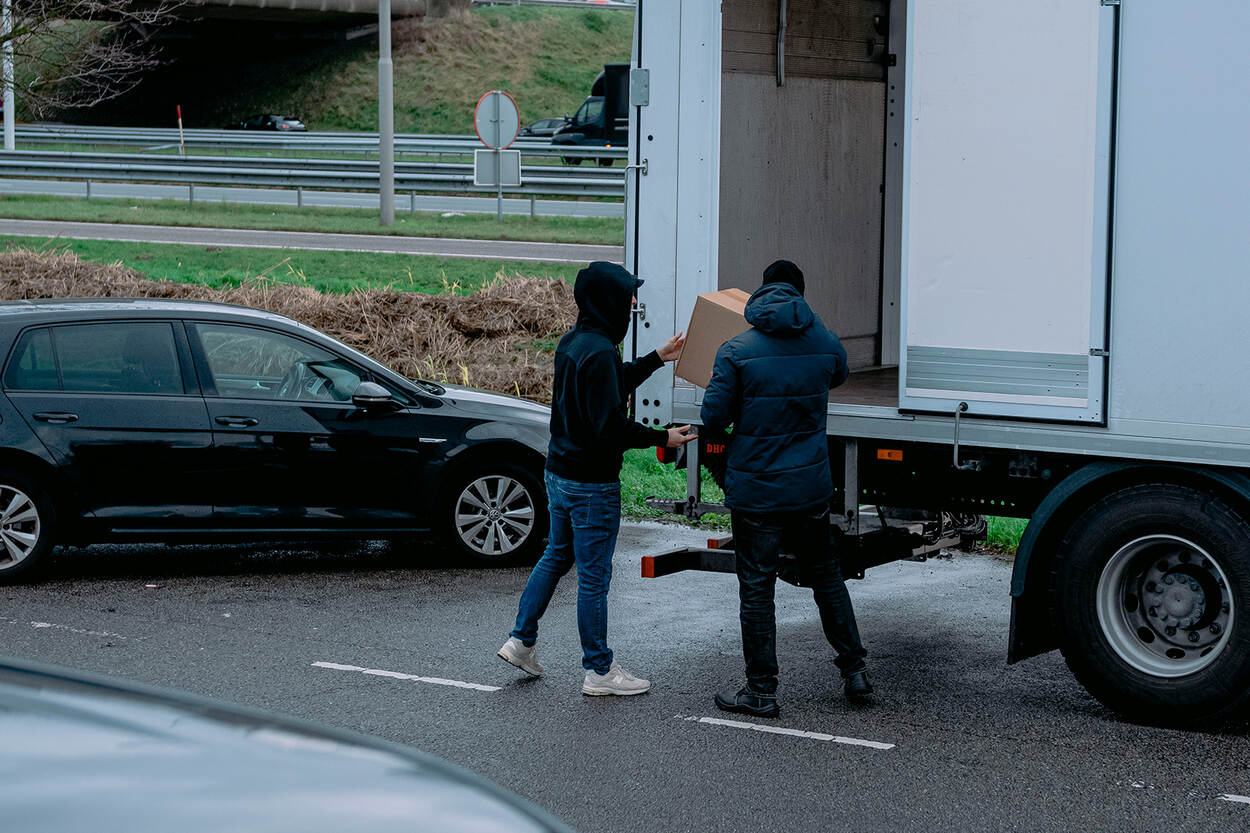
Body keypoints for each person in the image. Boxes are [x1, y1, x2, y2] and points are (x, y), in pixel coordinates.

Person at [498, 261, 695, 696]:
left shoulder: (576, 343)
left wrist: (657, 359)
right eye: (628, 295)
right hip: (591, 484)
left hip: (560, 473)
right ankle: (600, 671)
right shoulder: (601, 350)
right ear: (609, 299)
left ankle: (521, 640)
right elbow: (611, 426)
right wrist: (664, 436)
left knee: (555, 556)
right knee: (593, 577)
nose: (634, 302)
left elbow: (606, 387)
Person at [700, 259, 871, 719]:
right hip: (810, 489)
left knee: (757, 587)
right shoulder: (824, 343)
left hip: (756, 491)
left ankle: (761, 691)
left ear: (761, 292)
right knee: (826, 576)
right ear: (800, 294)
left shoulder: (735, 349)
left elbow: (713, 418)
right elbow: (839, 374)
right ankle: (854, 670)